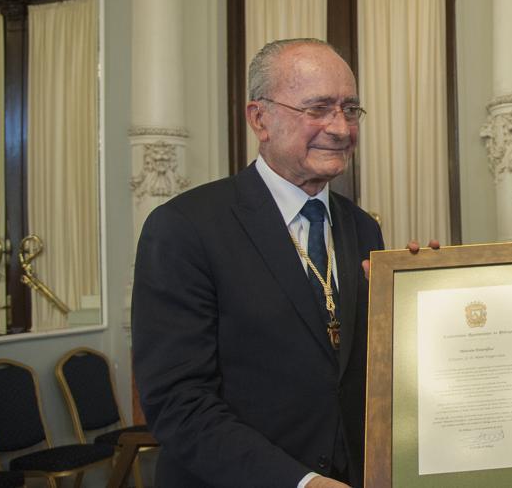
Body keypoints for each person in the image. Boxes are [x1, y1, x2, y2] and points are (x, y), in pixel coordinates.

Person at [132, 39, 383, 488]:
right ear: (260, 119)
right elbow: (179, 402)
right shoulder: (184, 228)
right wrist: (300, 482)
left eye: (350, 109)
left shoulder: (363, 229)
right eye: (319, 108)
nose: (341, 128)